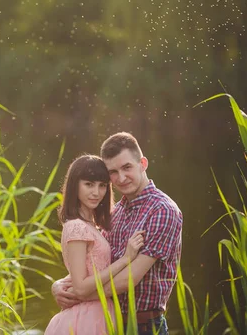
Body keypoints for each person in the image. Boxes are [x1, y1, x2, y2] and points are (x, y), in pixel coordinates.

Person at [51, 132, 183, 335]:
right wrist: (59, 285)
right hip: (105, 321)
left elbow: (127, 280)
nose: (121, 178)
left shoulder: (162, 210)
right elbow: (93, 266)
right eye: (113, 172)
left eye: (127, 167)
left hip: (142, 325)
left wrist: (79, 294)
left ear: (143, 163)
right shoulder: (115, 213)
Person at [44, 154, 145, 335]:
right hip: (86, 319)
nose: (96, 192)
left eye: (102, 185)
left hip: (99, 313)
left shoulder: (91, 226)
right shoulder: (77, 227)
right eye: (89, 184)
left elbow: (84, 272)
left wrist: (58, 284)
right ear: (75, 185)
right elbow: (81, 287)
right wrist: (125, 259)